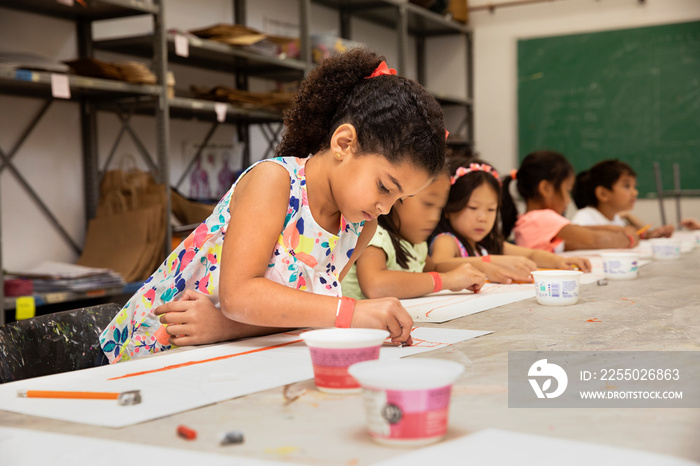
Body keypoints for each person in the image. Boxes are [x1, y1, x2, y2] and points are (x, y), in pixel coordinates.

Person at [99, 49, 448, 363]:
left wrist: (224, 329)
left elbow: (297, 312)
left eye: (398, 199)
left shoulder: (359, 226)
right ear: (344, 143)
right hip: (151, 352)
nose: (386, 208)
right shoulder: (275, 182)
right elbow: (240, 295)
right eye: (385, 187)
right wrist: (352, 311)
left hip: (221, 354)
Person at [430, 158, 591, 284]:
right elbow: (439, 264)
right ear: (448, 209)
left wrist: (559, 261)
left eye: (491, 209)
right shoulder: (447, 241)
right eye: (473, 208)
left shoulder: (488, 243)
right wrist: (487, 263)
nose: (482, 218)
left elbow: (531, 254)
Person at [341, 169, 486, 300]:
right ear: (398, 196)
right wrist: (448, 280)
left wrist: (481, 268)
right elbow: (375, 285)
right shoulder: (377, 235)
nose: (435, 217)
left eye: (439, 208)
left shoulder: (417, 245)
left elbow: (435, 268)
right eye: (428, 204)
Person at [500, 151, 639, 253]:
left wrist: (621, 230)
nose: (568, 199)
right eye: (567, 190)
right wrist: (629, 239)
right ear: (546, 188)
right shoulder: (542, 218)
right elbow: (594, 239)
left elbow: (582, 229)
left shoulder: (531, 220)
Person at [571, 159, 674, 238]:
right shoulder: (585, 216)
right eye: (627, 186)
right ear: (603, 194)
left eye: (634, 186)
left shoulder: (615, 218)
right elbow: (574, 236)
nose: (635, 192)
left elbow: (632, 234)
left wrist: (650, 235)